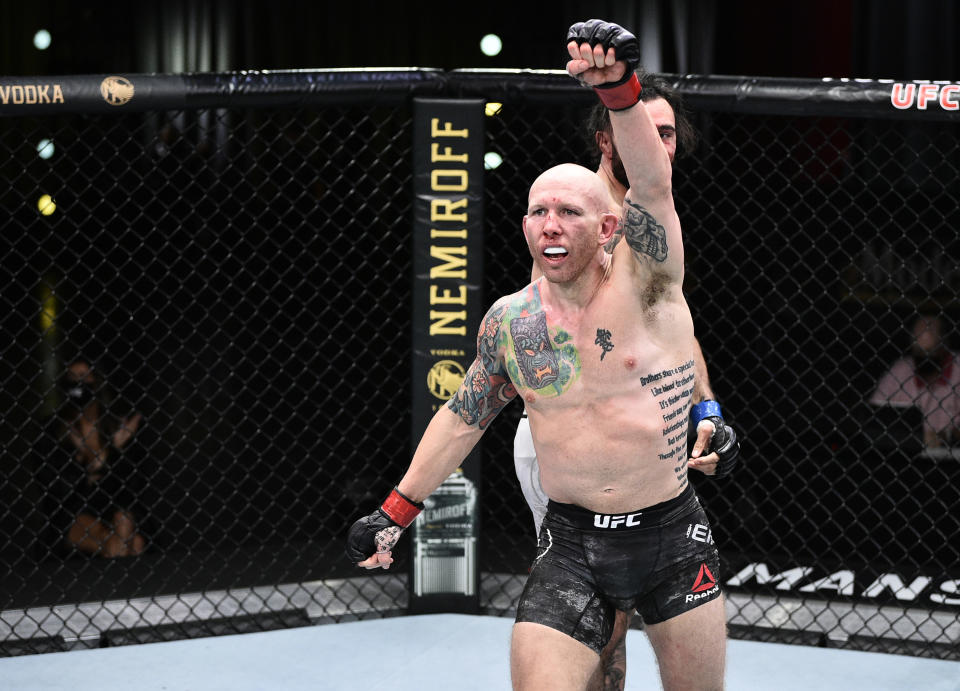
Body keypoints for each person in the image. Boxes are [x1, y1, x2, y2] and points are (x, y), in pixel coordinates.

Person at [347, 19, 733, 690]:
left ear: (608, 226)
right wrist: (395, 510)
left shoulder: (646, 281)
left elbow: (653, 186)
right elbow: (464, 416)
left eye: (569, 212)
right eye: (537, 211)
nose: (550, 223)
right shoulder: (511, 323)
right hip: (574, 542)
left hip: (671, 534)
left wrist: (619, 90)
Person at [513, 71, 739, 691]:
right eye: (643, 129)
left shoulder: (652, 222)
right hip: (570, 444)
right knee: (595, 626)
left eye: (666, 132)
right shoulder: (582, 217)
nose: (656, 142)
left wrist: (706, 409)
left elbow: (670, 332)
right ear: (607, 138)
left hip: (646, 436)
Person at [44, 358, 146, 557]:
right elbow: (59, 490)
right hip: (74, 515)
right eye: (71, 378)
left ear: (97, 382)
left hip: (111, 509)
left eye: (83, 376)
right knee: (128, 543)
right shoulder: (53, 430)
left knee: (127, 526)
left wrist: (114, 452)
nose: (77, 384)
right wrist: (99, 461)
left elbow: (131, 487)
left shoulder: (114, 424)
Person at [870, 313, 960, 448]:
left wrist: (944, 436)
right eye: (920, 353)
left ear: (945, 343)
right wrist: (916, 438)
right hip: (906, 452)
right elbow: (874, 421)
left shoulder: (957, 368)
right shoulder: (901, 370)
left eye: (931, 352)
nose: (925, 360)